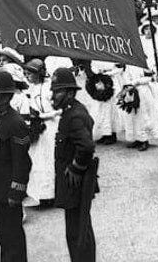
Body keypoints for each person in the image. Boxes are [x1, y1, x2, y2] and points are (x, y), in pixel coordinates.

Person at [0, 70, 32, 261]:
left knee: (13, 240)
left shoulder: (15, 122)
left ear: (4, 96)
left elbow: (22, 162)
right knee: (4, 239)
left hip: (7, 193)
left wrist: (16, 192)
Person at [50, 67, 97, 262]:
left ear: (69, 92)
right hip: (72, 181)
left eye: (58, 91)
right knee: (77, 229)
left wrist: (76, 168)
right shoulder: (70, 111)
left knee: (78, 232)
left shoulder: (74, 115)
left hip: (76, 182)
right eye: (53, 90)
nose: (54, 95)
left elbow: (86, 147)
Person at [23, 59, 60, 206]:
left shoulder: (49, 87)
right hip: (37, 128)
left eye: (31, 73)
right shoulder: (30, 89)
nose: (28, 76)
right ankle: (40, 194)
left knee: (50, 158)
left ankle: (52, 194)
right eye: (26, 73)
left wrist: (43, 116)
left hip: (51, 126)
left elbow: (57, 109)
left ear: (40, 73)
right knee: (38, 160)